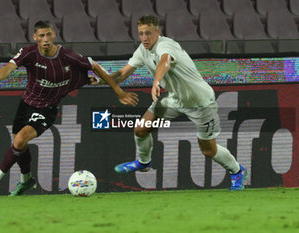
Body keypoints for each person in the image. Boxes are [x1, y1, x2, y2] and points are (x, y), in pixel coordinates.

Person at [0, 20, 138, 197]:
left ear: (54, 35)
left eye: (49, 35)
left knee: (20, 139)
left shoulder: (68, 57)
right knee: (20, 144)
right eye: (41, 36)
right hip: (26, 105)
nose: (46, 39)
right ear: (35, 37)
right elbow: (9, 67)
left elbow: (95, 67)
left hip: (47, 110)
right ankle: (26, 180)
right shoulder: (29, 53)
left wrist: (119, 92)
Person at [97, 15, 248, 190]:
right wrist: (101, 79)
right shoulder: (142, 50)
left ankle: (237, 171)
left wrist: (156, 81)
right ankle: (144, 162)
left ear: (157, 32)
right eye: (141, 33)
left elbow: (165, 61)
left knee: (208, 150)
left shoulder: (166, 45)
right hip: (174, 98)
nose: (144, 38)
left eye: (148, 33)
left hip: (201, 102)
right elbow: (122, 74)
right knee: (141, 129)